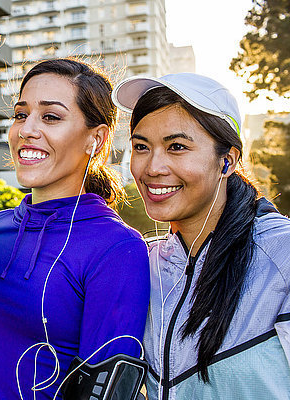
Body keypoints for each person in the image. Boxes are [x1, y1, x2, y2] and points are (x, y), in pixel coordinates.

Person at [0, 59, 150, 400]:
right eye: (21, 114)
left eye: (50, 117)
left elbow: (107, 390)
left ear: (97, 139)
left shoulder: (117, 249)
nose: (26, 130)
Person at [111, 73, 290, 399]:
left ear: (227, 161)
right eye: (141, 147)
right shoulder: (144, 263)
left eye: (176, 147)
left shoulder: (281, 251)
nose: (153, 167)